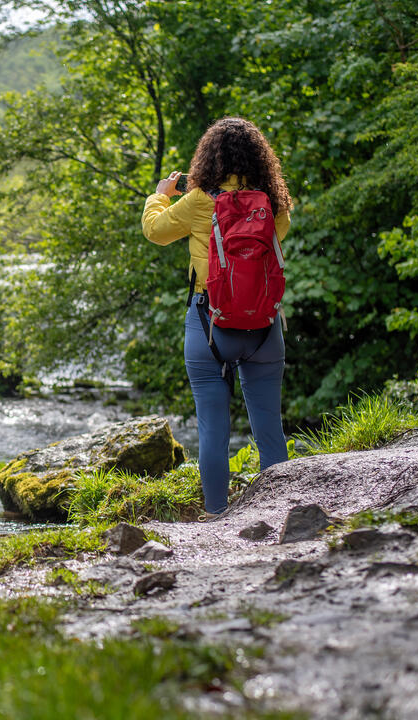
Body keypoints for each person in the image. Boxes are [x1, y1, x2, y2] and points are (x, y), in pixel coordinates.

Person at [141, 116, 292, 520]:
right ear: (261, 159)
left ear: (208, 157)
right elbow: (279, 236)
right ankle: (278, 516)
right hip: (264, 325)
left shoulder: (198, 202)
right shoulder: (272, 202)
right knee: (268, 428)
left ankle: (217, 516)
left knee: (212, 428)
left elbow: (155, 231)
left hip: (210, 321)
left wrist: (160, 195)